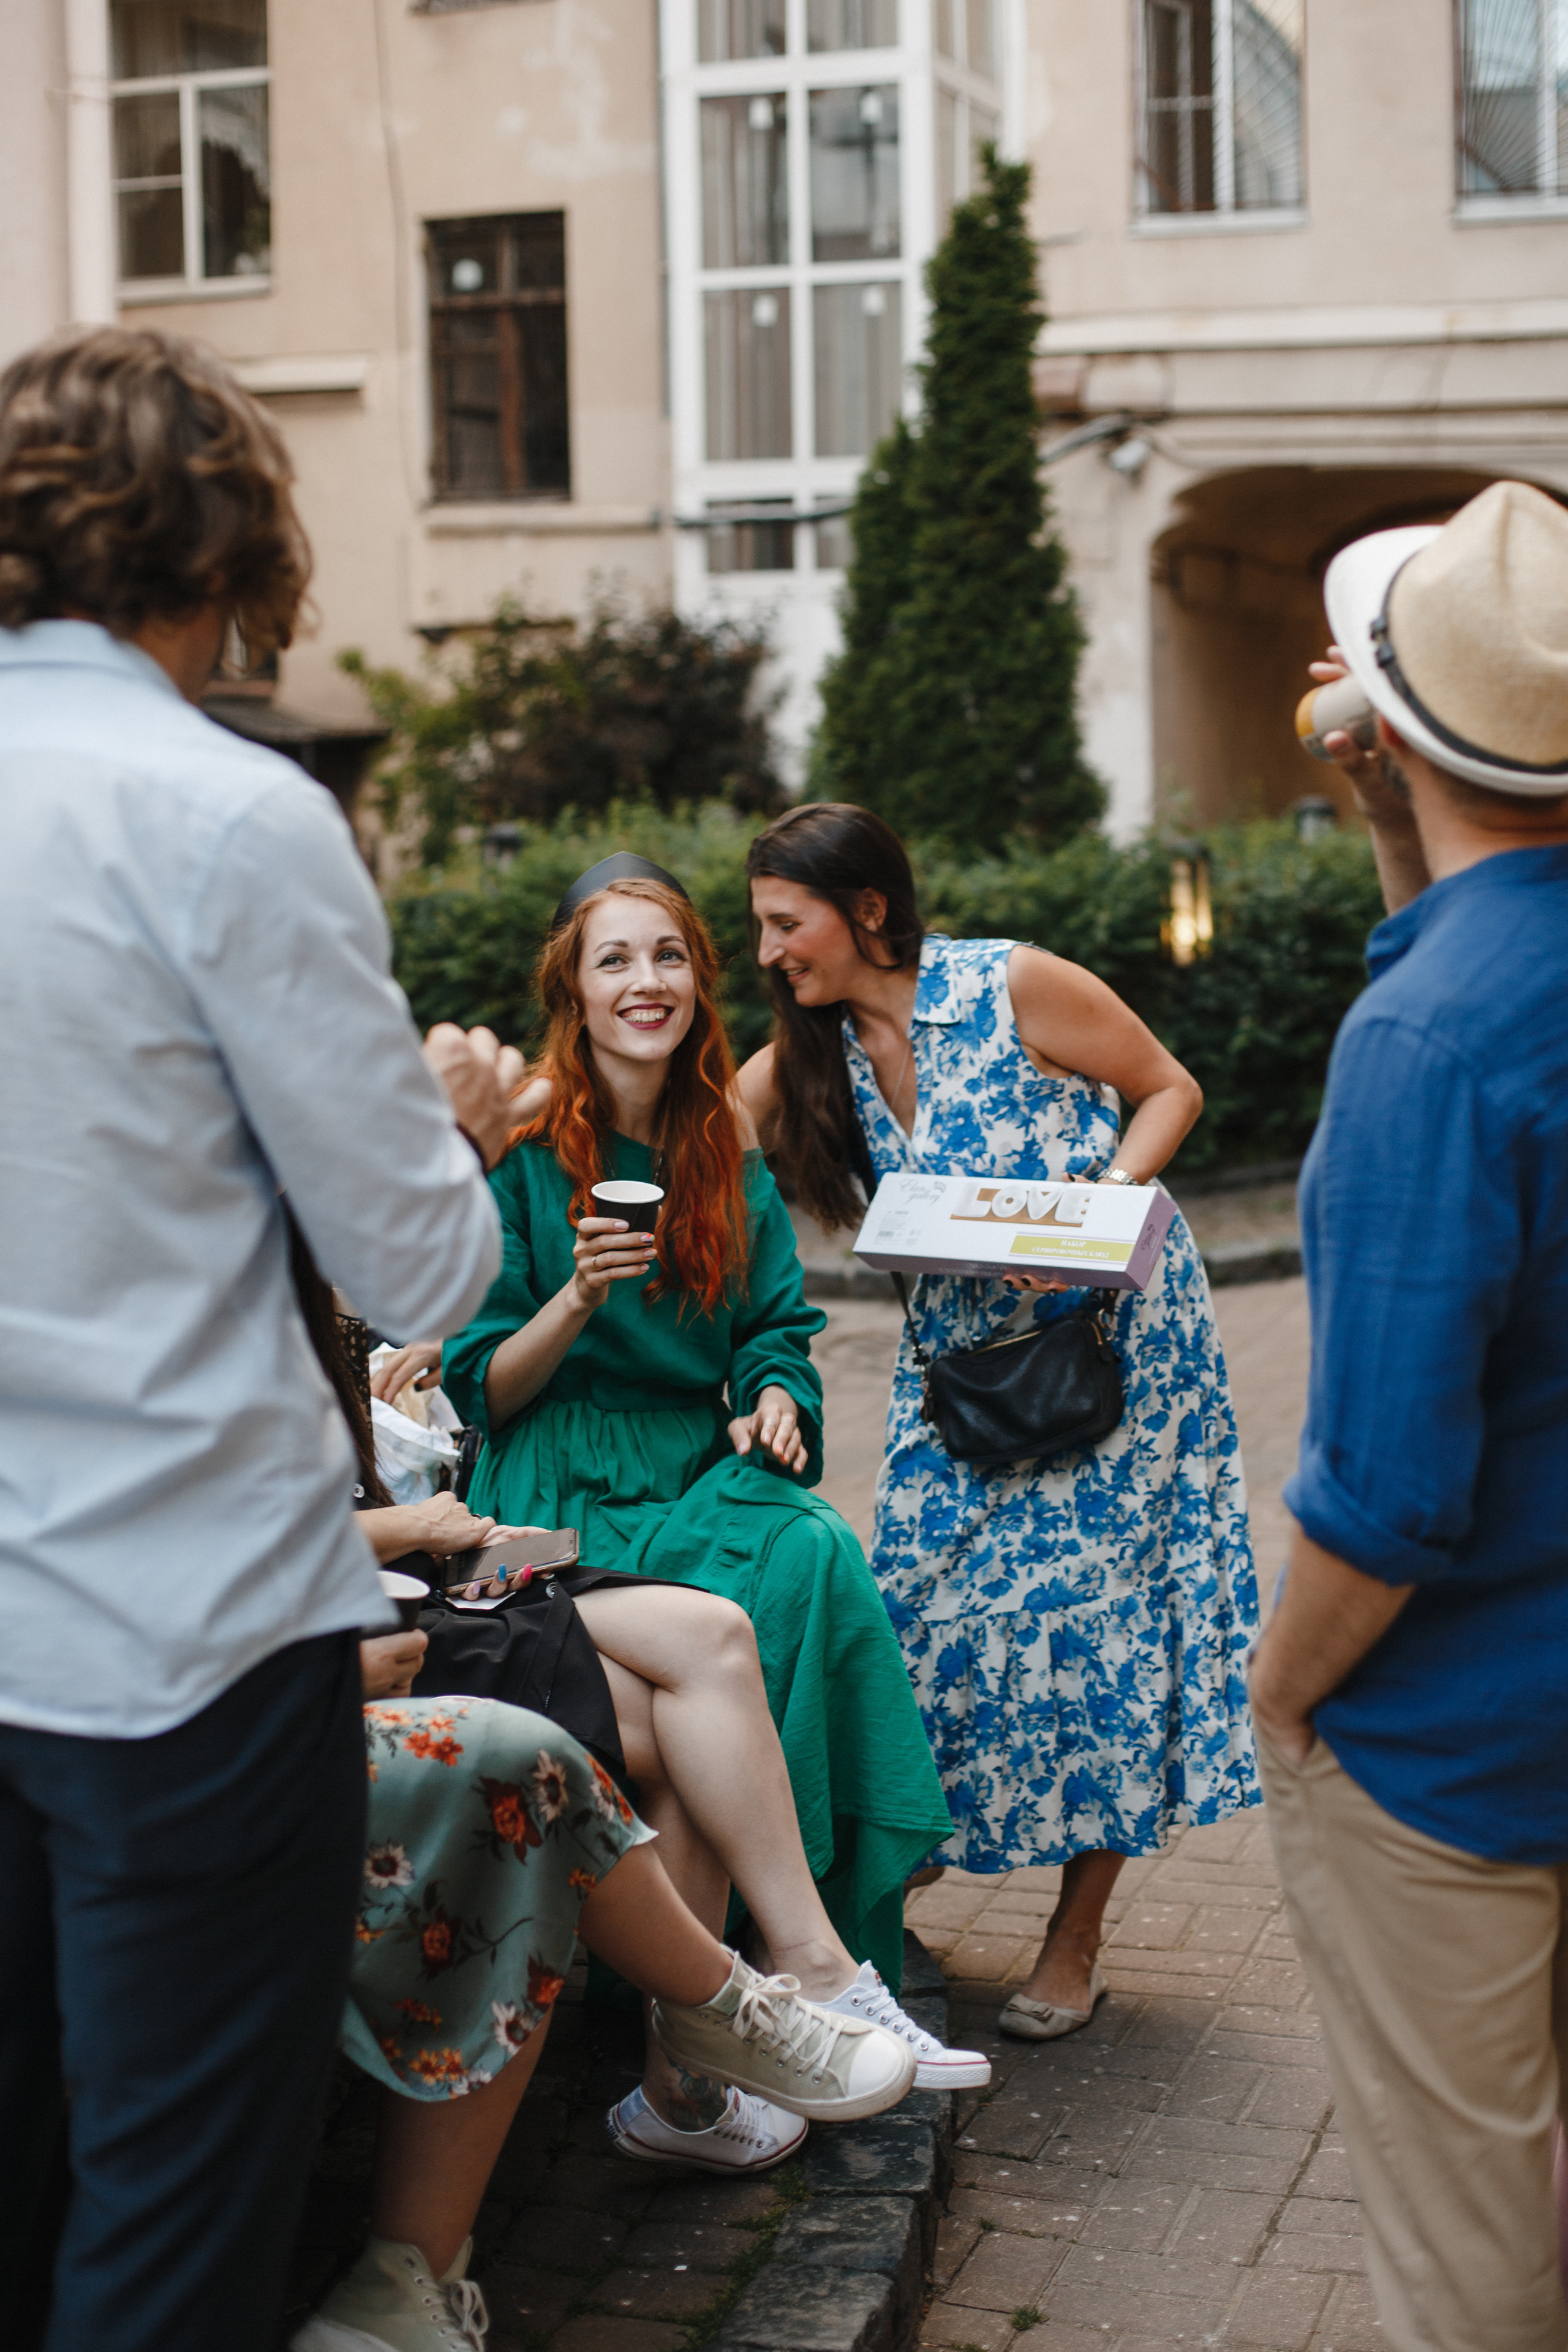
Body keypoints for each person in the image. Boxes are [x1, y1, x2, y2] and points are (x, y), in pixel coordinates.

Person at [0, 326, 518, 2352]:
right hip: (176, 1645)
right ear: (228, 557)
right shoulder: (232, 818)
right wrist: (457, 1128)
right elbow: (424, 1266)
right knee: (170, 2228)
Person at [736, 804, 1260, 2039]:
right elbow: (687, 1130)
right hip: (959, 1374)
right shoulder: (815, 1051)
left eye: (782, 923)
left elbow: (1165, 1089)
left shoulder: (1011, 981)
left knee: (1105, 1632)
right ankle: (889, 1879)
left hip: (1115, 1350)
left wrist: (1095, 1213)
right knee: (911, 1614)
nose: (766, 953)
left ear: (864, 911)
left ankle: (1073, 1944)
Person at [439, 854, 965, 2024]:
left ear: (698, 983)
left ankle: (785, 1969)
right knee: (767, 1586)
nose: (647, 980)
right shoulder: (526, 1153)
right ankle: (758, 1988)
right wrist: (574, 1298)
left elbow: (778, 1327)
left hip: (692, 1458)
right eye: (613, 960)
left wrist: (778, 1399)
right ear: (573, 992)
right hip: (559, 1473)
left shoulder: (722, 1152)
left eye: (668, 955)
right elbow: (483, 1392)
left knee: (813, 1546)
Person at [1247, 478, 1568, 2352]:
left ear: (1383, 722)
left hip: (1451, 1756)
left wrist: (1286, 1696)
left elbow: (1384, 1496)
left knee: (1470, 2271)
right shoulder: (1470, 988)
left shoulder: (1425, 1041)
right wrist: (1407, 824)